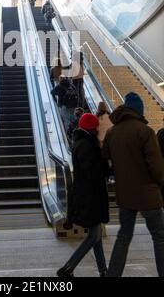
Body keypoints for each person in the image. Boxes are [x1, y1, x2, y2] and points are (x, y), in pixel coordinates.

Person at [103, 92, 164, 277]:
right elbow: (157, 165)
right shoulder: (145, 131)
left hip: (125, 194)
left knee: (124, 236)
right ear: (139, 111)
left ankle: (113, 274)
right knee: (159, 237)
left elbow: (106, 160)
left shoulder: (112, 132)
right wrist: (159, 182)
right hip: (148, 194)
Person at [57, 113, 109, 277]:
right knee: (93, 236)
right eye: (96, 127)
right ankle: (68, 268)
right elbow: (92, 171)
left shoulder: (83, 142)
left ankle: (103, 270)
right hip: (90, 196)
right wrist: (106, 166)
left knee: (97, 236)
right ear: (92, 128)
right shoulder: (86, 145)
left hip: (89, 194)